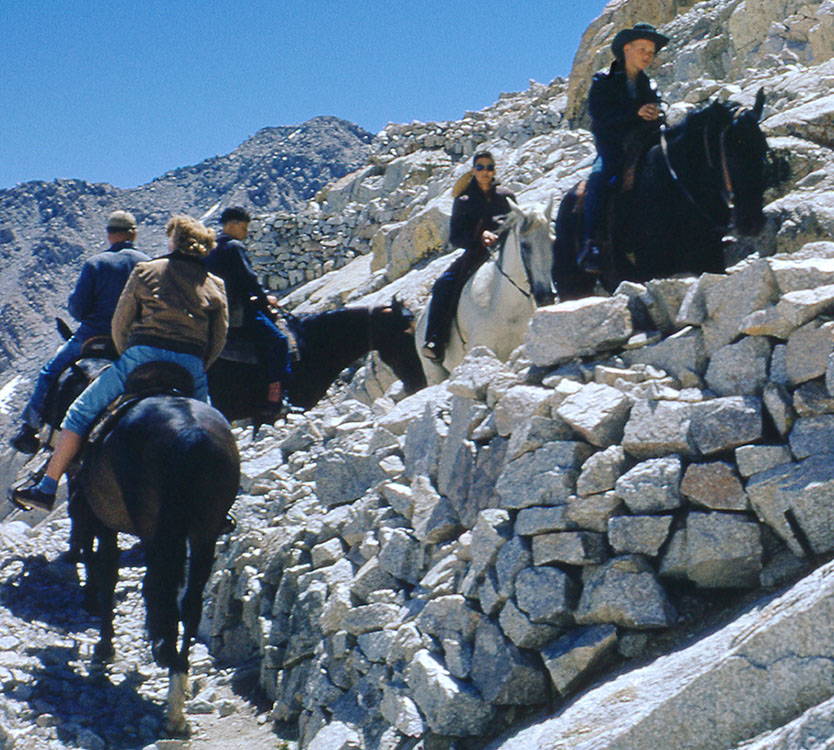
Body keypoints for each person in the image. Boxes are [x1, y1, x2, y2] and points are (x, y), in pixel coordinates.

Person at [13, 215, 228, 512]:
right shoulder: (215, 284)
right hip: (191, 363)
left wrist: (128, 354)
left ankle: (46, 483)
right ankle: (217, 503)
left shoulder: (146, 270)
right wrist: (197, 365)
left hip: (140, 354)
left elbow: (121, 321)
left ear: (173, 241)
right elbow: (218, 338)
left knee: (77, 411)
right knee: (211, 428)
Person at [9, 210, 149, 454]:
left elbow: (78, 308)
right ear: (134, 233)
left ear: (109, 235)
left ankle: (29, 430)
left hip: (92, 337)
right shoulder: (148, 264)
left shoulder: (96, 263)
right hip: (130, 341)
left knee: (49, 372)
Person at [580, 22, 670, 273]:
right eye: (642, 49)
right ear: (626, 48)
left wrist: (656, 114)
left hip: (645, 142)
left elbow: (656, 109)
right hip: (613, 147)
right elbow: (600, 117)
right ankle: (593, 244)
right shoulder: (603, 80)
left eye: (651, 52)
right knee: (599, 179)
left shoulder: (649, 84)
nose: (647, 56)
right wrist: (636, 112)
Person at [422, 151, 516, 361]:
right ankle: (435, 340)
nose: (485, 171)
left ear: (494, 170)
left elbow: (516, 221)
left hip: (507, 249)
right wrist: (479, 237)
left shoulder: (506, 195)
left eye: (489, 167)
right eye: (480, 167)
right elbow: (456, 236)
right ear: (473, 171)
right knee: (443, 285)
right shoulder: (463, 200)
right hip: (476, 254)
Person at [205, 206, 290, 414]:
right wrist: (265, 301)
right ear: (232, 225)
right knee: (279, 341)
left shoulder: (209, 249)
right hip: (238, 310)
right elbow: (249, 281)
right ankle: (277, 399)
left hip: (214, 310)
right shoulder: (234, 246)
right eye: (243, 228)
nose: (246, 233)